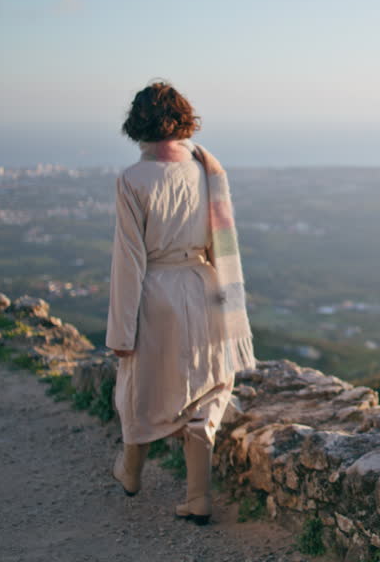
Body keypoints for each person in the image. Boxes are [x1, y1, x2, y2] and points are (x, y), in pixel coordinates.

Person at [106, 79, 257, 524]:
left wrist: (121, 332)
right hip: (206, 285)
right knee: (208, 387)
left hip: (156, 292)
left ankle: (130, 472)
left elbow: (128, 261)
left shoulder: (132, 179)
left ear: (137, 123)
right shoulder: (207, 169)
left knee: (139, 387)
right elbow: (220, 241)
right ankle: (198, 497)